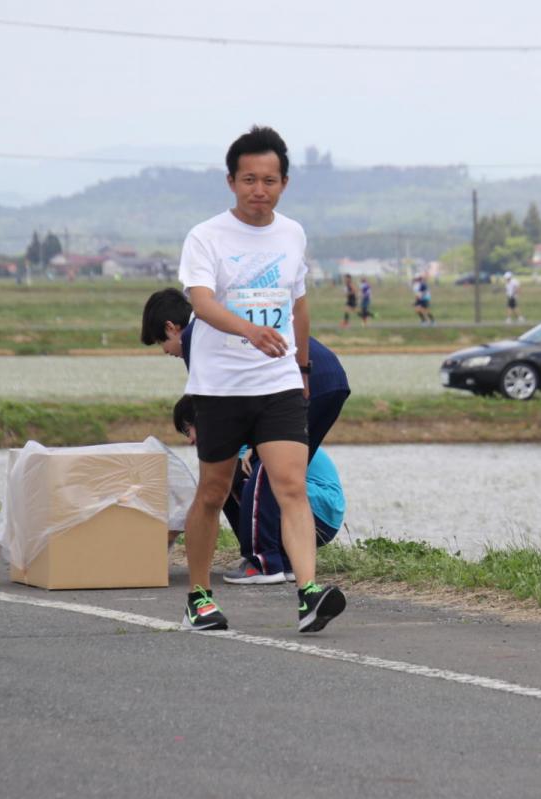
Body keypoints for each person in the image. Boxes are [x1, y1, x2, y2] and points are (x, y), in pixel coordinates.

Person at [172, 125, 345, 633]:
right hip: (221, 385)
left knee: (290, 485)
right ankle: (198, 598)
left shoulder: (292, 233)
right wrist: (248, 331)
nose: (259, 189)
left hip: (279, 383)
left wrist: (304, 366)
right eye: (249, 179)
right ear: (231, 181)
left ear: (284, 183)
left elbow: (299, 303)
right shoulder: (206, 236)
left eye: (269, 180)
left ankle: (308, 594)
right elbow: (200, 303)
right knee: (212, 490)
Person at [141, 287, 350, 579]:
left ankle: (265, 563)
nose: (167, 353)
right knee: (269, 473)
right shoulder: (219, 320)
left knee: (266, 471)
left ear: (171, 328)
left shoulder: (195, 336)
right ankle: (282, 559)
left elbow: (216, 401)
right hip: (328, 379)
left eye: (161, 344)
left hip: (305, 385)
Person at [171, 398, 345, 585]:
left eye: (189, 429)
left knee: (228, 478)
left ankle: (264, 563)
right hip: (317, 516)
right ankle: (286, 562)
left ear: (205, 419)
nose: (190, 440)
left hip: (317, 513)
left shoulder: (248, 437)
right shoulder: (246, 435)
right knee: (222, 484)